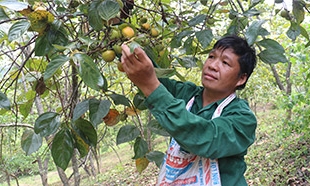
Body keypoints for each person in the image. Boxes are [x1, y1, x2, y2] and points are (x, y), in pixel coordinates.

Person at [121, 35, 257, 186]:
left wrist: (150, 85)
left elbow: (205, 137)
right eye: (211, 57)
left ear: (241, 79)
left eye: (225, 62)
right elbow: (151, 75)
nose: (212, 65)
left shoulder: (243, 118)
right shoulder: (186, 94)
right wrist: (127, 38)